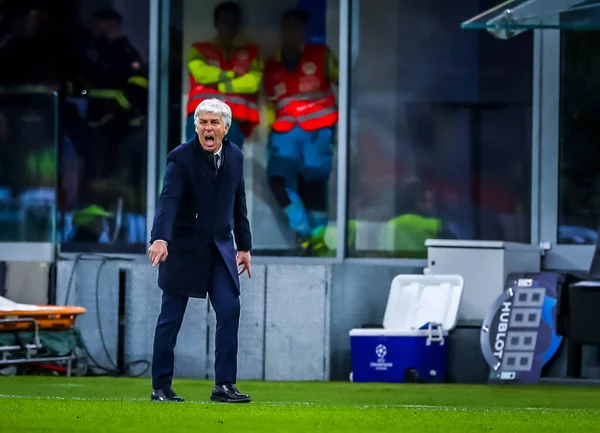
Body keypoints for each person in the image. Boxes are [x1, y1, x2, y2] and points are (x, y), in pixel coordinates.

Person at [147, 98, 253, 404]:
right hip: (182, 249)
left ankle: (224, 386)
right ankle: (161, 388)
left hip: (221, 249)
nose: (208, 128)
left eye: (214, 123)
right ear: (196, 127)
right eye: (203, 122)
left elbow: (238, 203)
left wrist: (244, 247)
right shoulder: (180, 158)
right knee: (171, 318)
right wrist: (160, 239)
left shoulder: (235, 156)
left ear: (225, 128)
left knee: (230, 308)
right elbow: (168, 202)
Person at [263, 8, 338, 256]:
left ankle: (317, 239)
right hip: (284, 133)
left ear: (304, 31)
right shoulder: (272, 63)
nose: (291, 33)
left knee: (314, 185)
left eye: (297, 28)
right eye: (288, 27)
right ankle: (303, 229)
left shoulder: (322, 55)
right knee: (278, 181)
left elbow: (346, 81)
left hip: (317, 132)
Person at [184, 1, 263, 147]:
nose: (228, 26)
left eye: (233, 22)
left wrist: (222, 86)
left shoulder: (251, 53)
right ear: (216, 23)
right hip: (201, 117)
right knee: (197, 166)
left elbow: (253, 83)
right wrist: (232, 75)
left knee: (228, 167)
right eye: (224, 21)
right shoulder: (199, 49)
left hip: (232, 120)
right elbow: (201, 74)